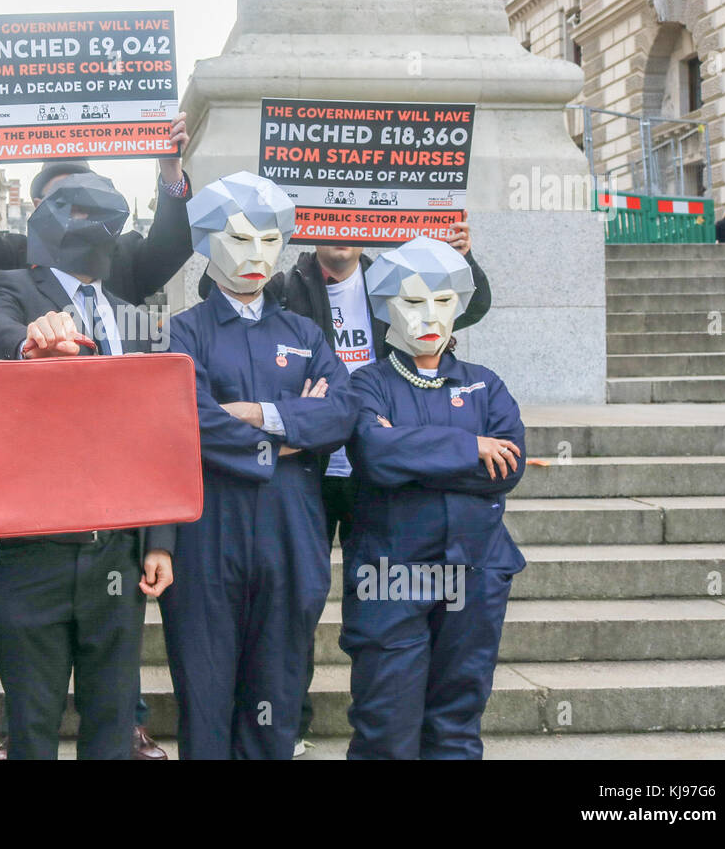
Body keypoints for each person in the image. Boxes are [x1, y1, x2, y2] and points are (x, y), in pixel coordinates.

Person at [210, 219, 493, 754]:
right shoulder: (285, 285)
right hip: (308, 465)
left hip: (375, 471)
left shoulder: (394, 280)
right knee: (298, 599)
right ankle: (289, 719)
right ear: (309, 227)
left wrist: (459, 257)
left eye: (350, 219)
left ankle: (393, 707)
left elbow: (467, 304)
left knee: (379, 600)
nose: (340, 231)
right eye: (327, 219)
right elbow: (220, 288)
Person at [0, 171, 175, 760]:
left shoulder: (128, 313)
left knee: (112, 724)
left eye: (108, 217)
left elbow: (152, 433)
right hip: (37, 547)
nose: (98, 230)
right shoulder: (15, 286)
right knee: (31, 725)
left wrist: (159, 539)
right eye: (81, 215)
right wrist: (30, 343)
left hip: (118, 553)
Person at [159, 171, 358, 759]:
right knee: (206, 687)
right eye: (239, 239)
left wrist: (257, 415)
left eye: (270, 240)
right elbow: (189, 421)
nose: (256, 255)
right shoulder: (184, 333)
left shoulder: (304, 330)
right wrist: (292, 426)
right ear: (207, 243)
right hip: (208, 527)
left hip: (293, 525)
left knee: (278, 683)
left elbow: (343, 411)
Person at [341, 236, 525, 759]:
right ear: (385, 306)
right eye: (413, 301)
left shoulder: (486, 385)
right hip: (391, 571)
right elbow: (375, 455)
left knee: (457, 721)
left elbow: (508, 466)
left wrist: (415, 460)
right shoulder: (365, 385)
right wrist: (470, 448)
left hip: (477, 568)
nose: (429, 316)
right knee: (385, 720)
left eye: (443, 301)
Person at [0, 108, 194, 305]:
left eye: (85, 196)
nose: (77, 209)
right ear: (38, 206)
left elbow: (173, 245)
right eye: (62, 199)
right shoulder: (16, 261)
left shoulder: (124, 257)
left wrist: (171, 173)